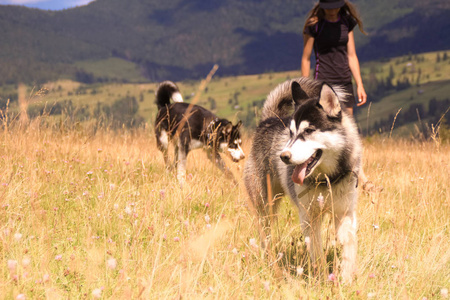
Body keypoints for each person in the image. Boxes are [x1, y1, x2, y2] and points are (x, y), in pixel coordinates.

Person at [301, 0, 378, 192]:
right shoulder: (314, 25)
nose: (333, 11)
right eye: (330, 8)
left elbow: (351, 55)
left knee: (348, 132)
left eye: (336, 6)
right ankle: (323, 176)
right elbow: (306, 57)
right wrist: (305, 88)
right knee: (323, 132)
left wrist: (359, 83)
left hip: (345, 82)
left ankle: (359, 177)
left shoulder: (347, 21)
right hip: (322, 84)